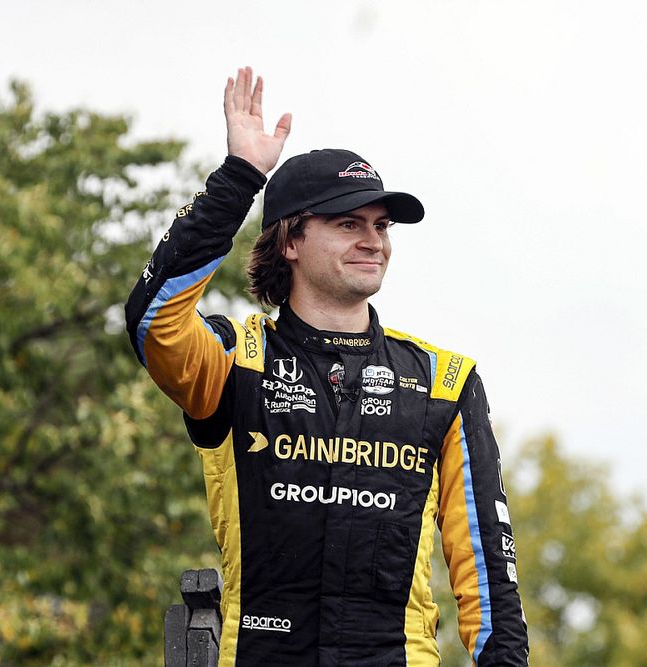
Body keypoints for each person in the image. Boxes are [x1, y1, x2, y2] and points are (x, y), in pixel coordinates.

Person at [125, 67, 529, 666]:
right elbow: (152, 318)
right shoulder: (233, 360)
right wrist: (239, 179)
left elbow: (489, 573)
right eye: (348, 223)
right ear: (290, 240)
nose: (374, 241)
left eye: (381, 225)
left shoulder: (446, 382)